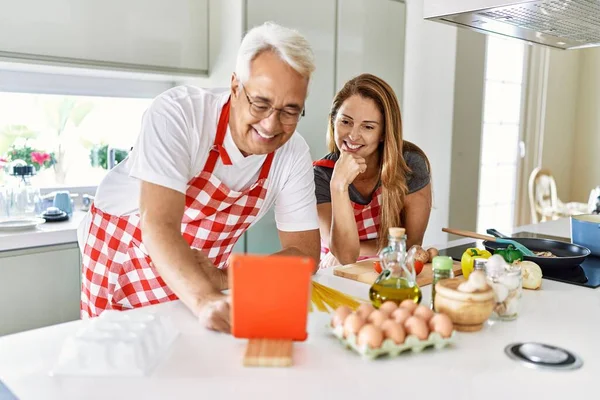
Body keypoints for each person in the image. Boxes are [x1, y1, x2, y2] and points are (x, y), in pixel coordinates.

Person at [78, 22, 321, 333]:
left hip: (201, 273)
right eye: (260, 103)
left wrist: (222, 279)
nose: (272, 124)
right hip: (125, 253)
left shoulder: (292, 154)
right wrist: (205, 300)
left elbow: (305, 255)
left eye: (290, 111)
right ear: (235, 87)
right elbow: (159, 224)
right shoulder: (180, 115)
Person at [313, 73, 432, 268]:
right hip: (334, 272)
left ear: (384, 132)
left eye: (367, 127)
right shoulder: (321, 175)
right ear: (333, 120)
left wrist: (356, 248)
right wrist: (339, 185)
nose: (352, 135)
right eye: (345, 121)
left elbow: (411, 244)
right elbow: (344, 255)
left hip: (389, 270)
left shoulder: (409, 164)